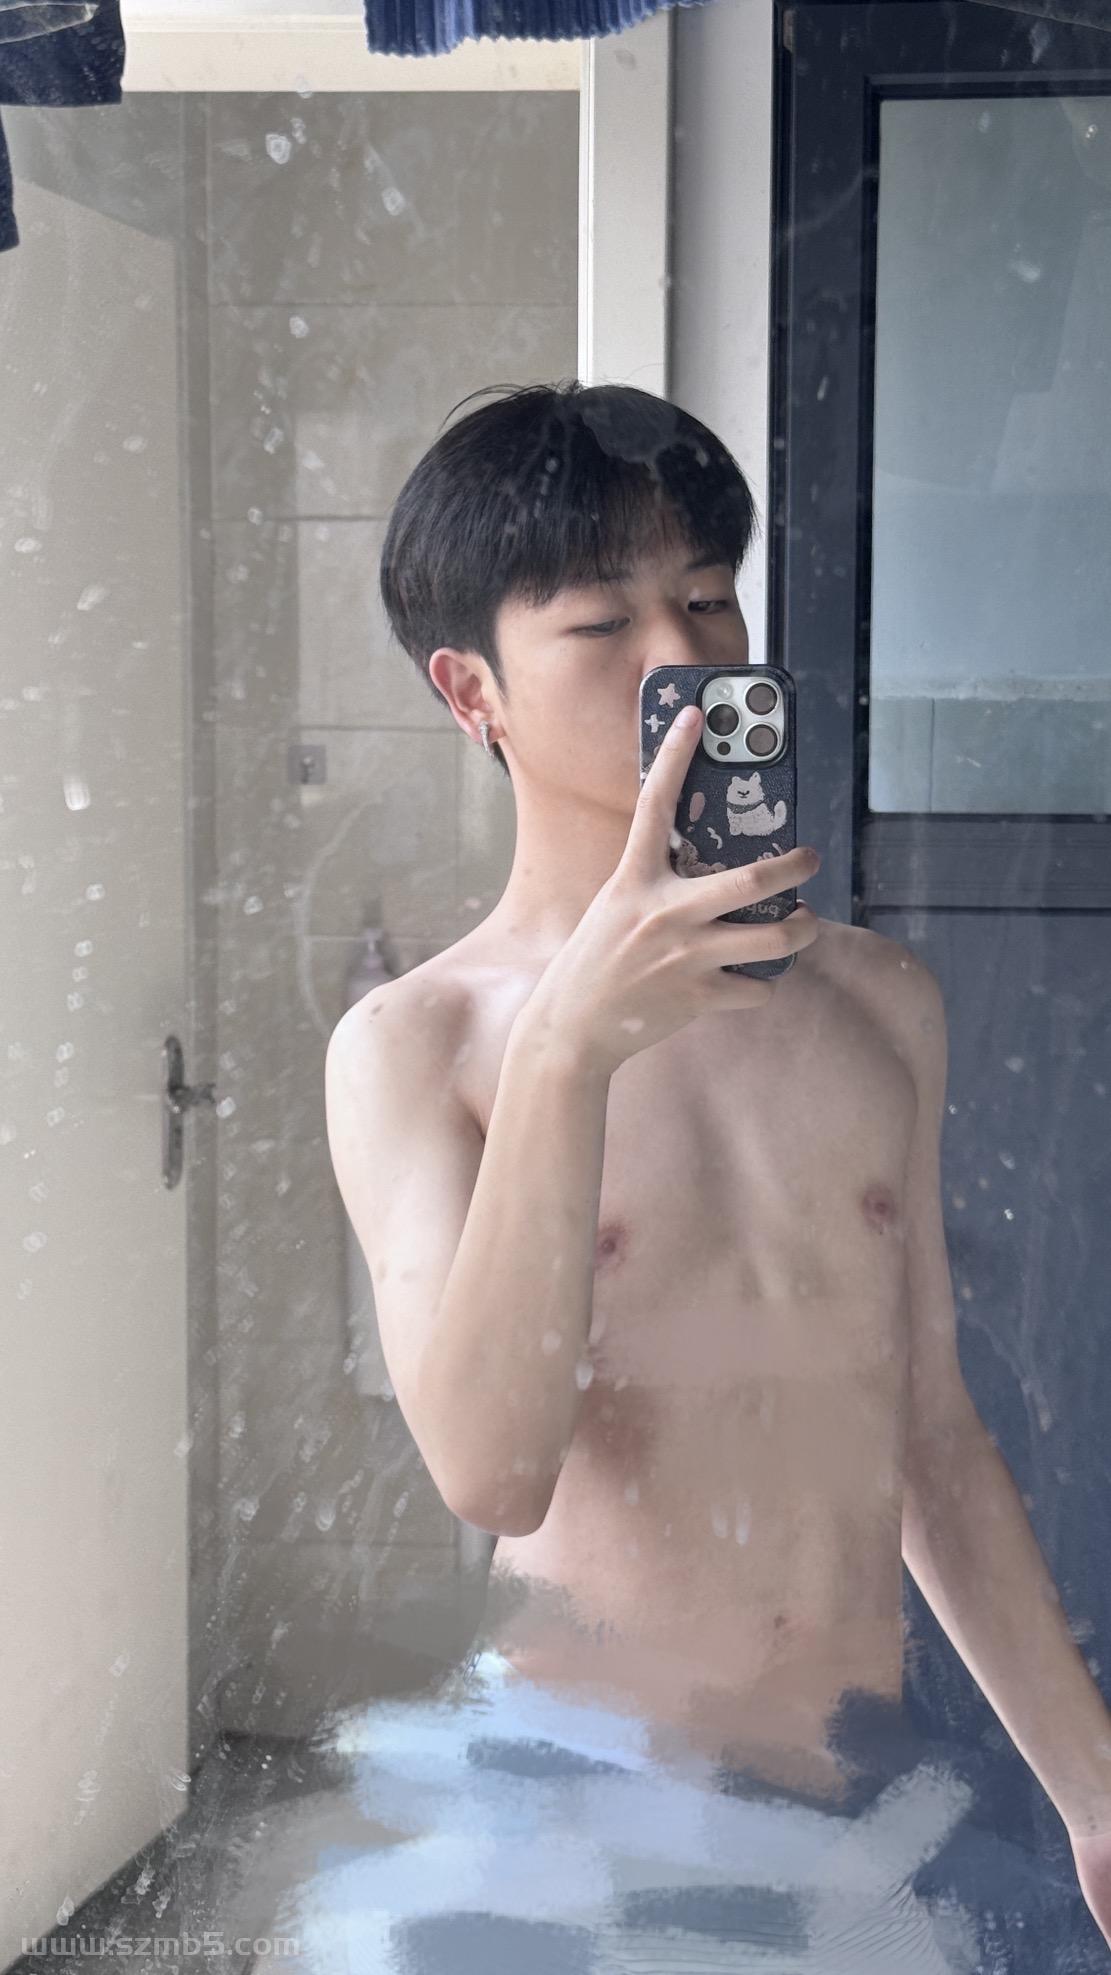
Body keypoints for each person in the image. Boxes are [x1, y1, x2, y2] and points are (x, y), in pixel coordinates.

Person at [322, 380, 1111, 1971]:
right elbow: (494, 1471)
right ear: (470, 689)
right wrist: (570, 1051)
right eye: (601, 623)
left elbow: (932, 1438)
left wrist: (1096, 1794)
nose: (680, 659)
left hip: (858, 1805)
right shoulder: (420, 1044)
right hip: (573, 1812)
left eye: (703, 598)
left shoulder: (877, 1002)